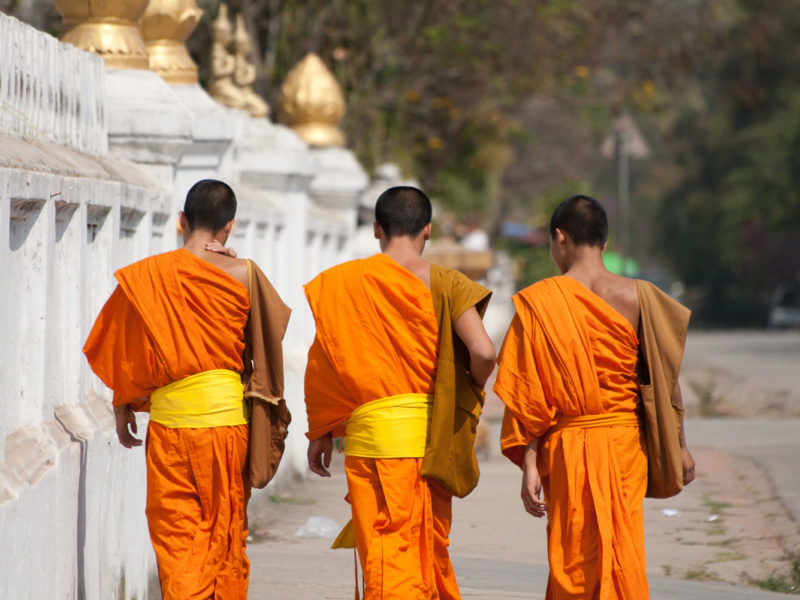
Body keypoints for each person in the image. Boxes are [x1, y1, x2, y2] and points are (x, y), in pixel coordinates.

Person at [83, 179, 290, 599]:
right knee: (223, 535)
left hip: (169, 431)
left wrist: (123, 403)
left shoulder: (147, 276)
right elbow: (269, 336)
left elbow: (123, 347)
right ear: (229, 227)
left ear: (181, 221)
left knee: (177, 540)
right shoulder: (244, 273)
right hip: (226, 429)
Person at [494, 195, 696, 599]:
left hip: (568, 449)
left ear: (559, 238)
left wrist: (530, 463)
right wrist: (681, 447)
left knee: (572, 561)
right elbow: (664, 381)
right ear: (603, 243)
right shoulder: (640, 297)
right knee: (622, 550)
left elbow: (527, 395)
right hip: (625, 446)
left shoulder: (539, 302)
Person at [304, 186, 496, 599]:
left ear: (377, 229)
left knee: (383, 552)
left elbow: (325, 363)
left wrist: (322, 430)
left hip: (367, 440)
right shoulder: (445, 282)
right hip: (425, 442)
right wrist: (466, 388)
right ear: (427, 230)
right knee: (420, 554)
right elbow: (483, 350)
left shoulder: (343, 283)